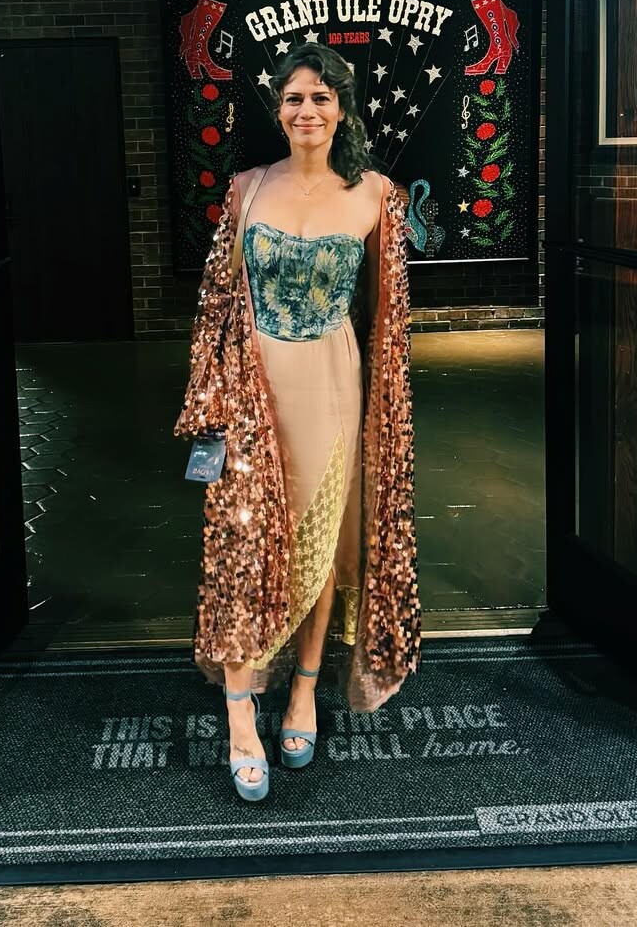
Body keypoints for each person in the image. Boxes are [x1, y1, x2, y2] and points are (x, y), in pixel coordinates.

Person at [174, 42, 421, 802]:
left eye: (321, 97)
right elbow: (216, 306)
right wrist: (211, 400)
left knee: (320, 541)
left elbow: (387, 315)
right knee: (245, 544)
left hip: (334, 385)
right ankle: (238, 710)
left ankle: (306, 689)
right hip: (254, 392)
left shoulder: (376, 194)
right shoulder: (246, 189)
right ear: (278, 110)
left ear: (342, 109)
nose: (306, 110)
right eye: (293, 98)